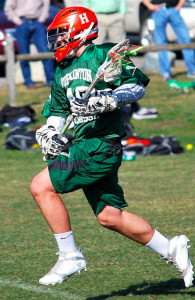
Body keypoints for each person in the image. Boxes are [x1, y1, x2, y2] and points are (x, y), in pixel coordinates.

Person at [30, 6, 193, 287]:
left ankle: (69, 256)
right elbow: (57, 111)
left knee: (40, 186)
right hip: (84, 142)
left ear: (79, 33)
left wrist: (109, 99)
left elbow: (137, 85)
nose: (56, 42)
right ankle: (170, 247)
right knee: (110, 216)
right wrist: (49, 134)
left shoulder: (103, 54)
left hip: (101, 145)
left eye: (61, 35)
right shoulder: (64, 68)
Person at [4, 0, 55, 89]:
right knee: (24, 54)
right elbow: (8, 8)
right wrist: (17, 20)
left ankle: (51, 81)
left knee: (45, 51)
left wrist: (42, 18)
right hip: (22, 22)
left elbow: (46, 4)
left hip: (37, 22)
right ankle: (28, 82)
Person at [142, 0, 195, 81]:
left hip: (173, 9)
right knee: (161, 43)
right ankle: (165, 72)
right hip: (159, 10)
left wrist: (179, 6)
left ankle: (192, 70)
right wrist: (150, 6)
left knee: (185, 39)